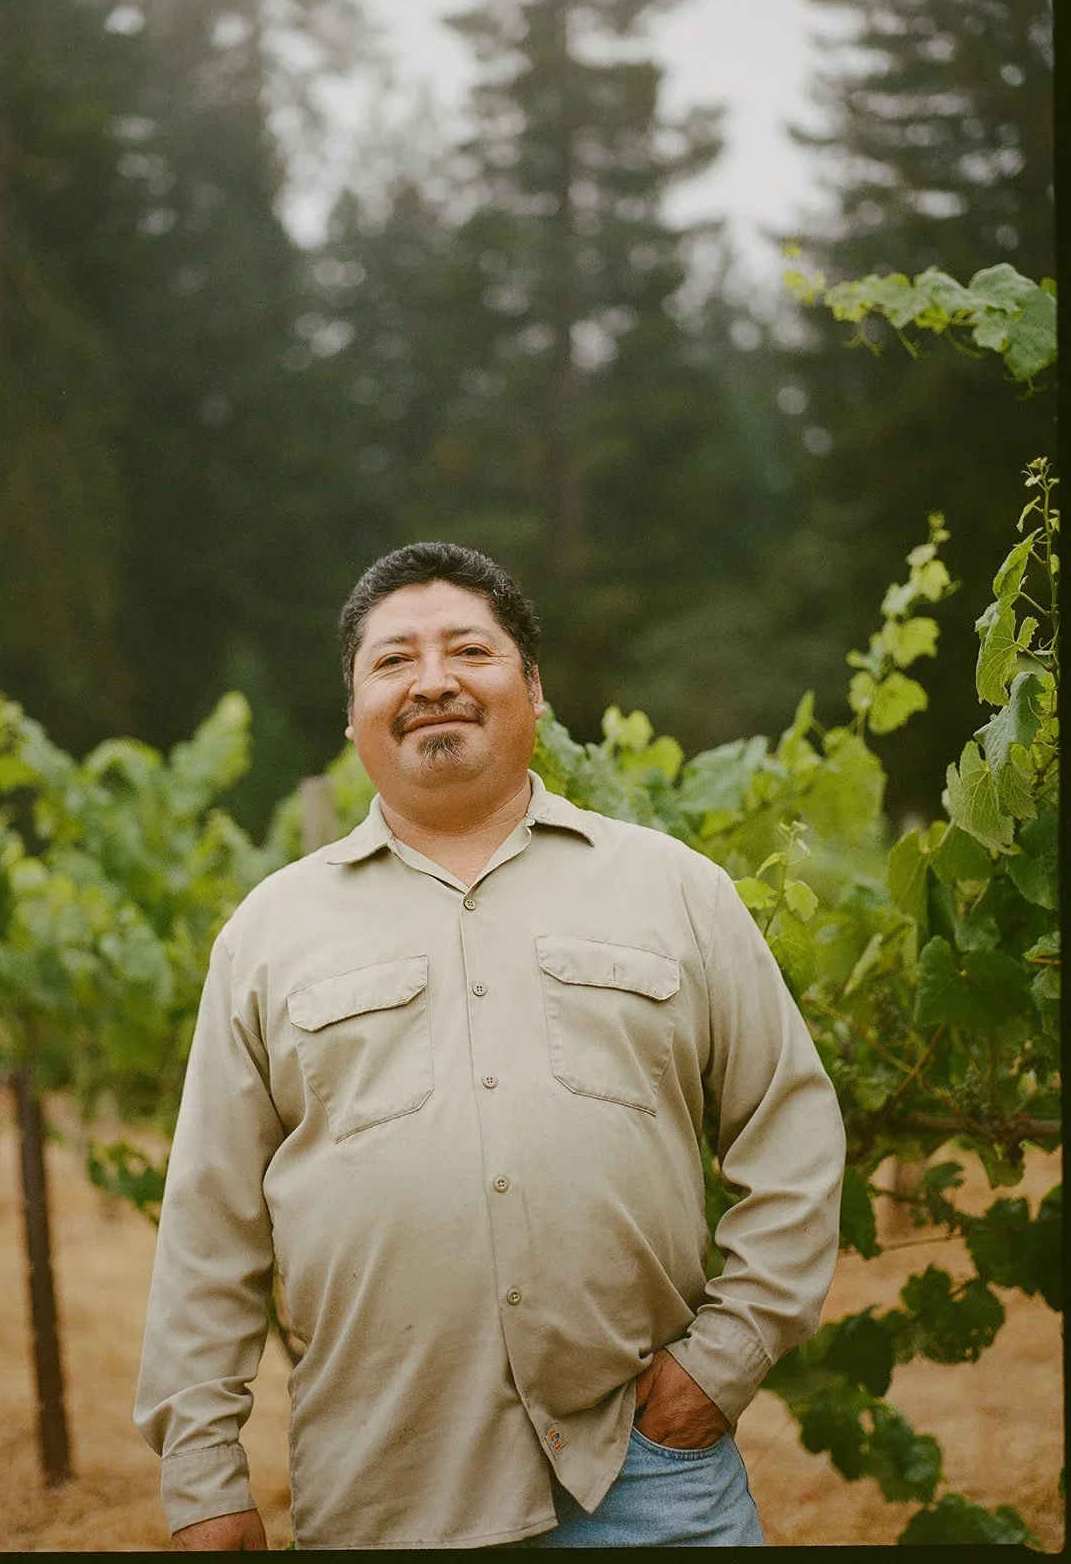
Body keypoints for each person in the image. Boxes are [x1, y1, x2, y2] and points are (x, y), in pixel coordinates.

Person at [134, 542, 846, 1550]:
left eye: (469, 650)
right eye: (393, 661)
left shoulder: (676, 890)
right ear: (352, 711)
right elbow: (210, 1228)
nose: (433, 682)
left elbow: (793, 1133)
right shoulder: (266, 934)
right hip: (383, 1487)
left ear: (534, 689)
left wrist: (719, 1364)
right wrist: (204, 1480)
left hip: (643, 1470)